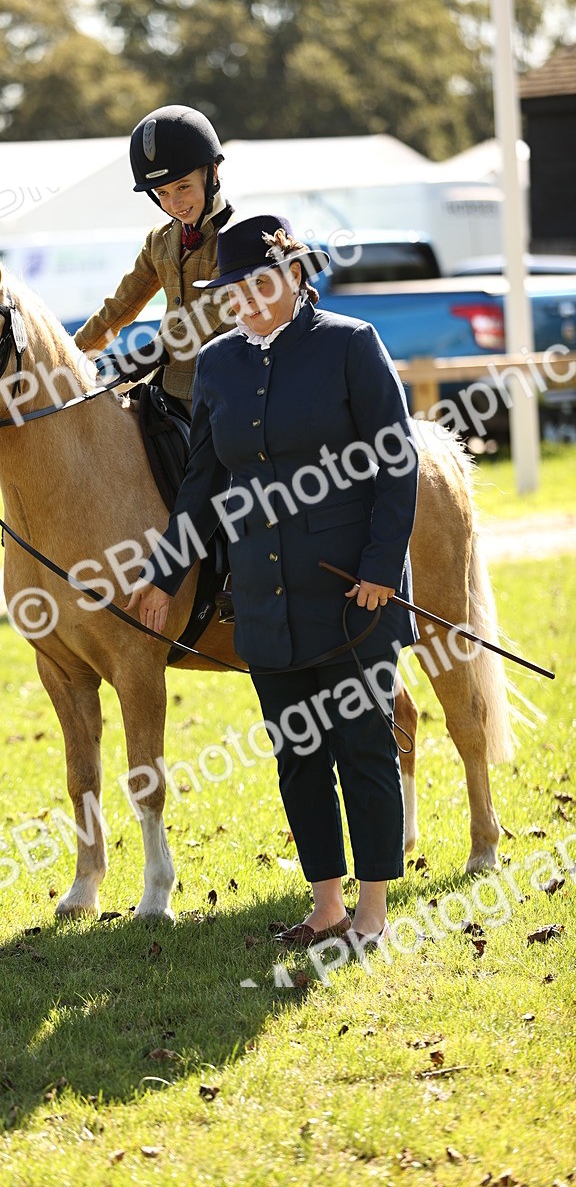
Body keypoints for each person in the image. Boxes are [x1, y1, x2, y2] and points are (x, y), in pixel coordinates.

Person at [126, 214, 419, 951]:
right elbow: (200, 485)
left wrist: (382, 570)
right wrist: (164, 576)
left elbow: (397, 461)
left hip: (353, 592)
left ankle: (373, 912)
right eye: (233, 292)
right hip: (264, 594)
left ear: (294, 274)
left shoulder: (351, 344)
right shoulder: (218, 363)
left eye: (260, 285)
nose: (247, 302)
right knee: (297, 756)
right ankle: (326, 907)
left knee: (363, 747)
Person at [73, 104, 234, 413]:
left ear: (212, 174)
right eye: (162, 193)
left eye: (183, 186)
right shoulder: (160, 240)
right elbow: (120, 307)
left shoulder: (237, 237)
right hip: (166, 385)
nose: (175, 203)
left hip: (222, 388)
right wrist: (70, 353)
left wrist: (148, 354)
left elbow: (210, 313)